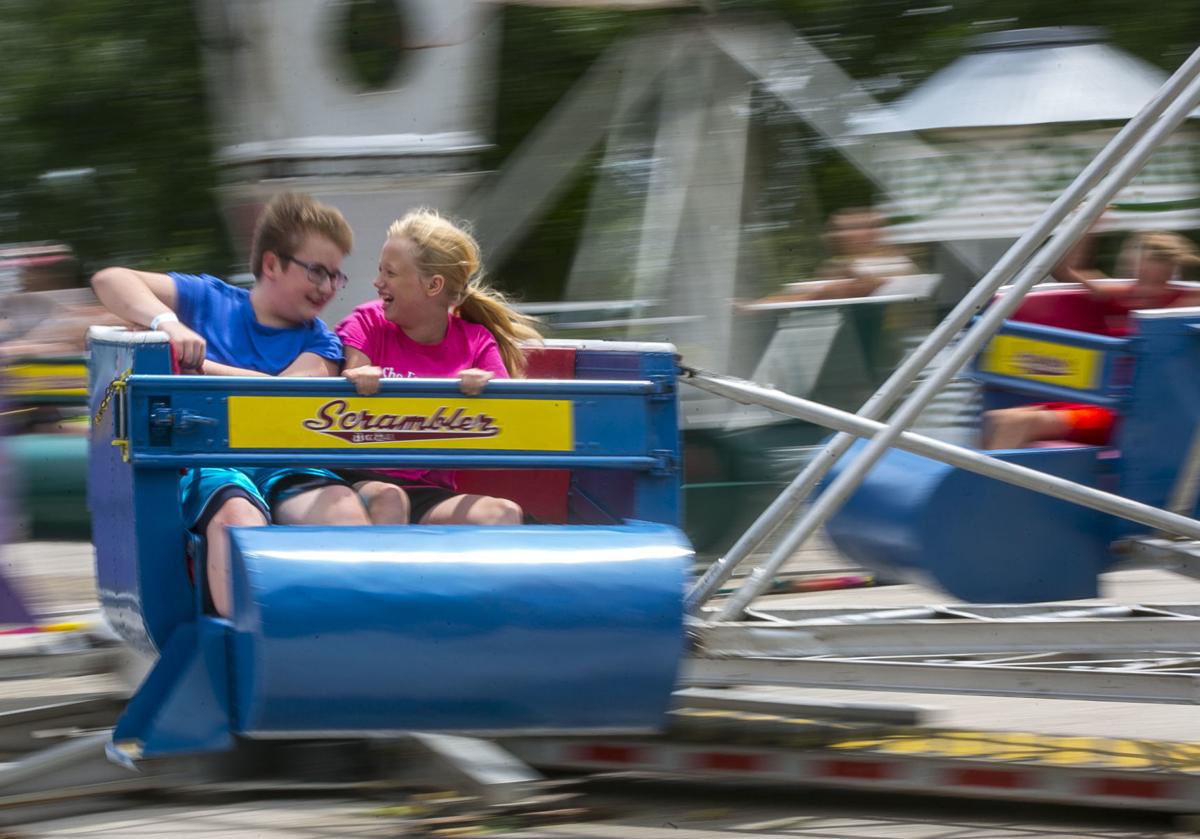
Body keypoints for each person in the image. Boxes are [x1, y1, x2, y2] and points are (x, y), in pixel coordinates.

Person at [90, 192, 370, 615]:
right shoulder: (208, 299)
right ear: (272, 264)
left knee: (343, 510)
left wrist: (196, 365)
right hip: (211, 465)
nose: (328, 287)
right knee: (236, 518)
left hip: (285, 464)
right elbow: (110, 280)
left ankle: (350, 637)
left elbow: (281, 396)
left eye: (335, 276)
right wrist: (166, 322)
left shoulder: (321, 340)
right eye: (317, 272)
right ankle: (256, 653)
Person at [337, 209, 541, 525]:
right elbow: (351, 377)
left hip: (428, 491)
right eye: (380, 271)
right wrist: (358, 377)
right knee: (391, 499)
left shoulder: (476, 341)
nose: (377, 283)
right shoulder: (367, 322)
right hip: (360, 480)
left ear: (433, 286)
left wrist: (485, 394)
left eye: (390, 273)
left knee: (504, 514)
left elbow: (509, 424)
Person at [981, 230, 1200, 450]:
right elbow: (1066, 269)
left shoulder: (1184, 304)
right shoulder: (1124, 296)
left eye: (1150, 272)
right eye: (1139, 270)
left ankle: (990, 483)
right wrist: (1088, 227)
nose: (1143, 283)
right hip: (1104, 404)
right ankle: (993, 480)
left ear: (1168, 271)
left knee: (1020, 422)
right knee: (998, 420)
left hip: (1136, 414)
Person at [753, 209, 920, 304]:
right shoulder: (836, 264)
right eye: (838, 229)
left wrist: (757, 306)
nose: (839, 234)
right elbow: (800, 291)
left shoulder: (895, 263)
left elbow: (828, 293)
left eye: (855, 227)